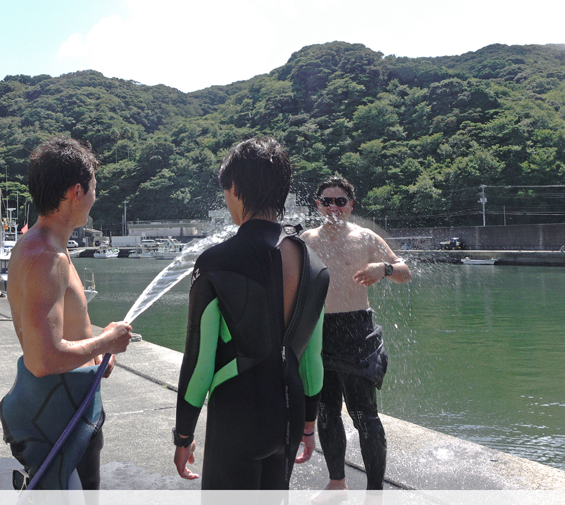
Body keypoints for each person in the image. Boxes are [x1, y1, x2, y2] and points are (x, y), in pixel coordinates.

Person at [173, 136, 329, 489]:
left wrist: (183, 434)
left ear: (236, 188)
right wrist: (308, 423)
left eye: (226, 189)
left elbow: (199, 362)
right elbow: (312, 359)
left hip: (236, 418)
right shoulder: (316, 265)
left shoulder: (216, 262)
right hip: (287, 417)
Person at [0, 136, 132, 490]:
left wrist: (99, 347)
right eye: (93, 189)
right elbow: (42, 358)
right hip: (60, 417)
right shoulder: (47, 258)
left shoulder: (38, 245)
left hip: (64, 408)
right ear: (76, 192)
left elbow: (57, 335)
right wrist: (107, 342)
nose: (94, 197)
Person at [300, 176, 411, 498]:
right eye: (326, 201)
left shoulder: (366, 238)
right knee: (326, 411)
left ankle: (375, 492)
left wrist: (383, 269)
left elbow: (404, 272)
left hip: (357, 331)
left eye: (340, 201)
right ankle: (337, 482)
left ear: (350, 205)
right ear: (317, 205)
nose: (333, 207)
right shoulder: (306, 240)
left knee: (365, 415)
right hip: (318, 331)